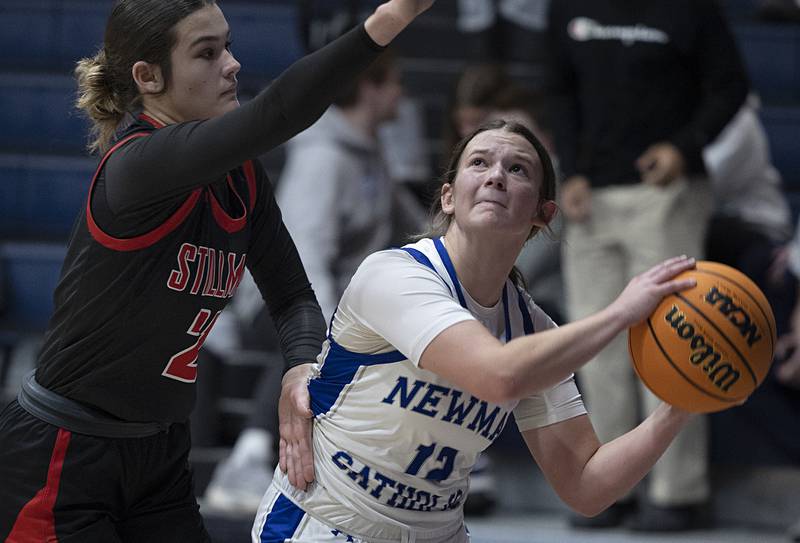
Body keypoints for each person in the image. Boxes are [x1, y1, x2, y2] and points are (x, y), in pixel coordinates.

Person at [0, 0, 435, 541]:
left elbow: (293, 295)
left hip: (159, 455)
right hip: (65, 453)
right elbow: (277, 112)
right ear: (149, 76)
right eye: (207, 53)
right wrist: (388, 19)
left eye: (227, 45)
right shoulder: (138, 164)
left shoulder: (242, 177)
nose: (230, 64)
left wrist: (300, 366)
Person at [254, 119, 705, 543]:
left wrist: (678, 408)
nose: (495, 176)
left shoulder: (531, 329)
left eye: (517, 169)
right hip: (327, 523)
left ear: (543, 214)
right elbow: (498, 375)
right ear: (449, 197)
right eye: (479, 163)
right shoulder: (394, 275)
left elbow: (586, 486)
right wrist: (621, 313)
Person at [546, 0, 750, 530]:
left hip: (667, 192)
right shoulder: (566, 6)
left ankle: (678, 492)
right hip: (590, 194)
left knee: (677, 339)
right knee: (596, 347)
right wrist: (568, 170)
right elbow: (558, 90)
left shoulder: (692, 9)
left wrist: (685, 147)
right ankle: (608, 485)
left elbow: (730, 87)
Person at [203, 49, 424, 514]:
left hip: (340, 302)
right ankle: (249, 455)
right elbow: (305, 257)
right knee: (315, 345)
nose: (401, 93)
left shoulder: (371, 150)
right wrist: (329, 325)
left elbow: (416, 227)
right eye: (394, 82)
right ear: (369, 88)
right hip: (279, 302)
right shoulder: (323, 158)